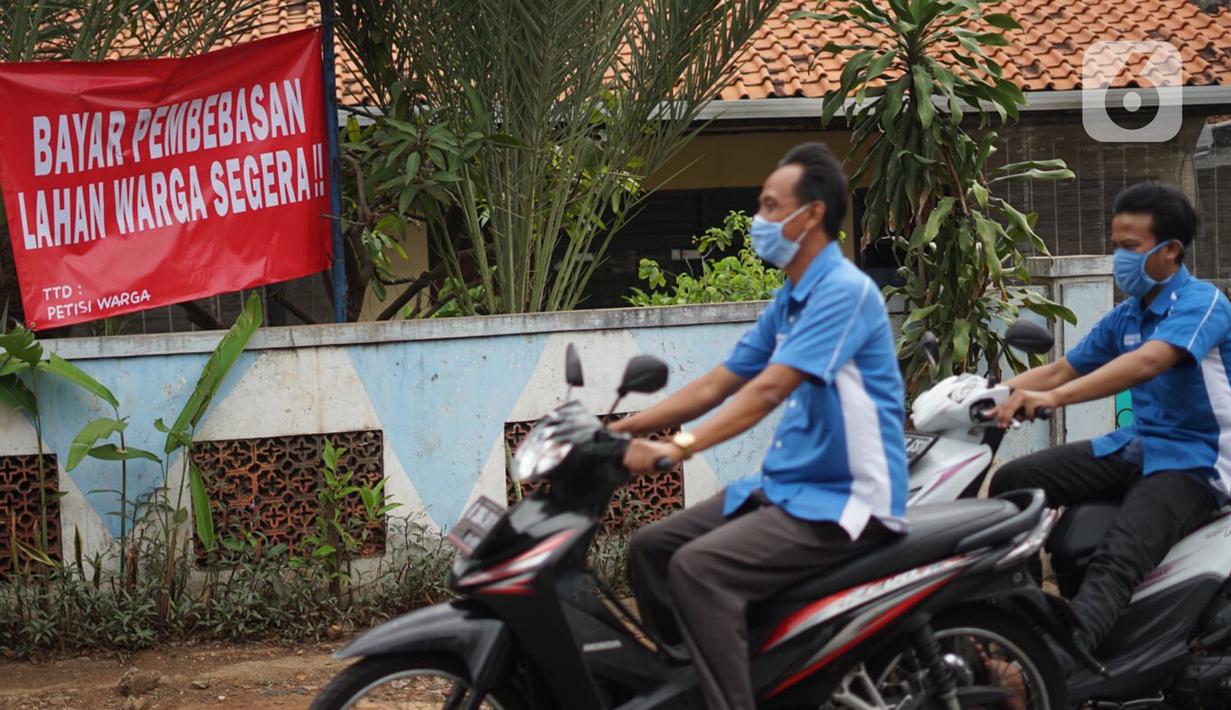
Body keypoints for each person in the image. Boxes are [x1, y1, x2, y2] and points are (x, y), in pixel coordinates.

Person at [609, 142, 909, 710]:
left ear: (812, 213)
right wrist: (626, 429)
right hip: (787, 491)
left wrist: (679, 447)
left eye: (772, 207)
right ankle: (701, 683)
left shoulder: (844, 292)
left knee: (698, 571)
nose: (760, 220)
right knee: (651, 549)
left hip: (846, 501)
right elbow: (720, 382)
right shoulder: (791, 297)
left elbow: (769, 389)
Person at [990, 182, 1230, 660]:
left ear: (1170, 251)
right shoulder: (1127, 316)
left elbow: (1147, 363)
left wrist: (1053, 398)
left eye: (1129, 248)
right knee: (1015, 482)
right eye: (1115, 245)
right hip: (1138, 446)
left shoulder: (1202, 304)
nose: (1118, 257)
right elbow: (1059, 368)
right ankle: (1019, 628)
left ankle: (1054, 669)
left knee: (1117, 557)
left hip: (1197, 462)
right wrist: (983, 395)